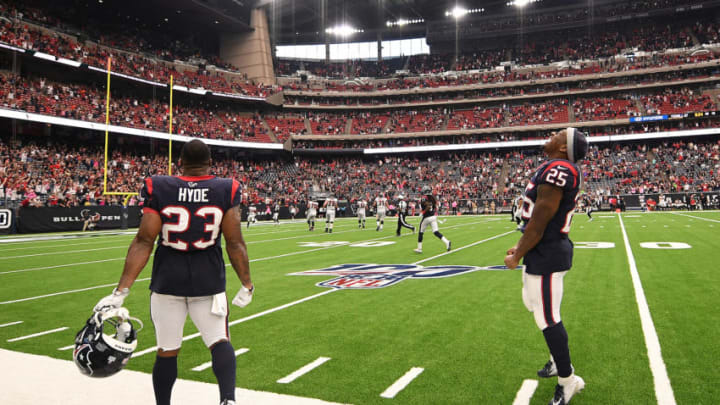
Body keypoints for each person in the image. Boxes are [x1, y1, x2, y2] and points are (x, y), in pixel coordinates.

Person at [93, 139, 253, 405]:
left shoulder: (159, 187)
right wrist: (247, 283)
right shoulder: (227, 188)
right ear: (210, 163)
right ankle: (228, 400)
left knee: (167, 351)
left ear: (179, 162)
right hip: (208, 280)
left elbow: (144, 241)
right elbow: (234, 243)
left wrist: (121, 291)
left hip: (168, 280)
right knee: (219, 341)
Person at [504, 128, 588, 405]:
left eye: (560, 134)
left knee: (548, 317)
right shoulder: (554, 166)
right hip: (543, 249)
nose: (553, 134)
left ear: (565, 147)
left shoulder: (560, 168)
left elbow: (540, 219)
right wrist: (521, 247)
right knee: (531, 303)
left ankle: (568, 380)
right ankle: (556, 357)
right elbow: (536, 220)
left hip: (549, 251)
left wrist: (518, 254)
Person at [414, 187, 451, 253]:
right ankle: (447, 242)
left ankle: (419, 248)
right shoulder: (432, 198)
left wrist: (423, 212)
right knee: (436, 232)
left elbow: (428, 206)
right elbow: (434, 206)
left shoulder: (424, 198)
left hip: (426, 217)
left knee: (421, 232)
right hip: (433, 216)